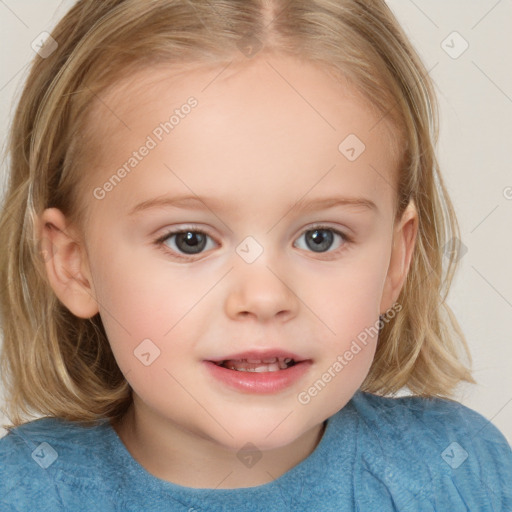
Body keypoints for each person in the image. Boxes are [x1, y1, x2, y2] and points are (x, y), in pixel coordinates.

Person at [0, 0, 510, 510]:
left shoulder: (459, 472)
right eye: (189, 240)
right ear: (74, 263)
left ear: (397, 260)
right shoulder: (23, 492)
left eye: (320, 237)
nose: (264, 297)